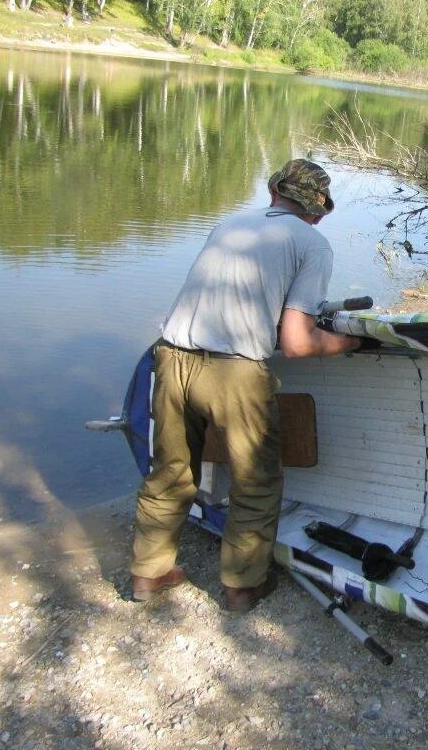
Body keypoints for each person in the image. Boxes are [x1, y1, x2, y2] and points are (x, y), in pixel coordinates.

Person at [129, 159, 362, 612]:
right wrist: (350, 342)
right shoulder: (312, 243)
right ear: (316, 210)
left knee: (170, 473)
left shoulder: (228, 225)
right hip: (233, 373)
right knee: (254, 481)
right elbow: (296, 343)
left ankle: (148, 573)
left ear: (274, 192)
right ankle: (241, 587)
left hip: (172, 357)